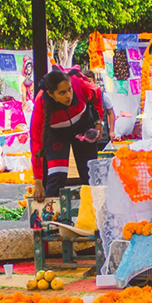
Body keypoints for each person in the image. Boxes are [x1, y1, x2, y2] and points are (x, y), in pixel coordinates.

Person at [30, 68, 104, 202]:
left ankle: (95, 214)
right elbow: (36, 142)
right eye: (62, 93)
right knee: (57, 176)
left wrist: (99, 123)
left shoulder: (79, 85)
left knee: (90, 175)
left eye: (69, 90)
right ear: (51, 94)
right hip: (56, 133)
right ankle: (51, 216)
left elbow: (97, 94)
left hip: (83, 126)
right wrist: (38, 181)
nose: (68, 95)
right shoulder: (41, 102)